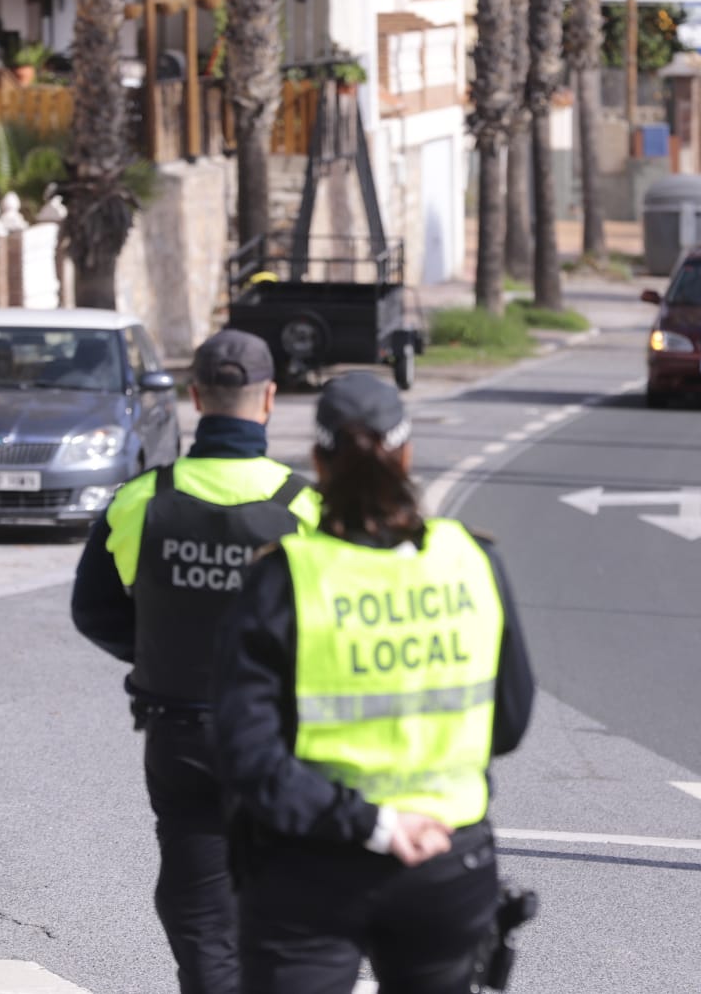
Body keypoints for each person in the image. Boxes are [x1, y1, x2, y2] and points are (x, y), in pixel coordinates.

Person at [212, 371, 536, 994]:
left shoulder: (284, 581)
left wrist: (374, 823)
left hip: (308, 865)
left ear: (317, 462)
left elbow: (247, 758)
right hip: (446, 861)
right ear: (408, 454)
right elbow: (511, 722)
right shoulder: (473, 561)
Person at [71, 329, 319, 994]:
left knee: (202, 918)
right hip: (281, 743)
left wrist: (155, 644)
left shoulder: (140, 500)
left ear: (193, 397)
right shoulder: (307, 509)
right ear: (270, 399)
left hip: (181, 737)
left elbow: (93, 610)